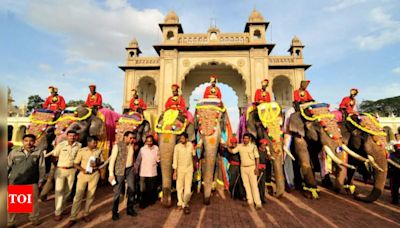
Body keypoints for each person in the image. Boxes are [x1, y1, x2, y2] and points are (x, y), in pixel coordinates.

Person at [65, 136, 104, 227]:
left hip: (94, 175)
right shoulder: (82, 151)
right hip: (83, 175)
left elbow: (102, 161)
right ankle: (73, 217)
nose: (95, 144)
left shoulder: (98, 150)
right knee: (78, 196)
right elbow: (75, 164)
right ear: (88, 142)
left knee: (91, 195)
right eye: (94, 142)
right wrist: (83, 170)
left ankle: (86, 213)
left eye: (96, 143)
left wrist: (97, 163)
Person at [7, 134, 45, 226]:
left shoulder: (38, 152)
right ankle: (10, 222)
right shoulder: (14, 152)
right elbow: (7, 166)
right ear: (23, 142)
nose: (29, 143)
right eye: (26, 140)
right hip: (16, 181)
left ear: (34, 141)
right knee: (13, 204)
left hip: (32, 182)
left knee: (33, 203)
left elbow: (41, 167)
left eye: (31, 140)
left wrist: (41, 180)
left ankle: (34, 219)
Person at [52, 130, 82, 221]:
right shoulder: (61, 145)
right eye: (70, 136)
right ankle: (57, 212)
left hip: (72, 170)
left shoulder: (79, 145)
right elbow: (54, 155)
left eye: (74, 136)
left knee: (68, 191)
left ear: (76, 136)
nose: (72, 137)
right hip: (61, 170)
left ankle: (62, 208)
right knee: (59, 191)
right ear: (67, 136)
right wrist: (56, 166)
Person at [227, 133, 262, 209]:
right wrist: (226, 146)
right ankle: (250, 202)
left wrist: (257, 168)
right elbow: (232, 151)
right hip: (243, 168)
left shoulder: (253, 147)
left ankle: (258, 203)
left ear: (249, 139)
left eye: (247, 138)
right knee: (246, 186)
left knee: (254, 185)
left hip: (252, 167)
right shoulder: (240, 146)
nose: (245, 140)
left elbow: (257, 158)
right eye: (244, 138)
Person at [108, 131, 137, 221]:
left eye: (133, 138)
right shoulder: (117, 146)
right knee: (117, 192)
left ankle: (130, 209)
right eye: (130, 138)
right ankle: (114, 212)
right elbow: (112, 160)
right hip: (119, 171)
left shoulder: (132, 146)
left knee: (132, 189)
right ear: (125, 137)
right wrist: (111, 174)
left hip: (130, 170)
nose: (132, 140)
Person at [172, 133, 196, 214]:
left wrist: (194, 166)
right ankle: (180, 203)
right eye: (180, 138)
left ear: (187, 139)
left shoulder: (190, 145)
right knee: (179, 187)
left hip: (189, 169)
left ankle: (185, 204)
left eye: (183, 138)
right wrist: (175, 172)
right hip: (180, 169)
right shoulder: (177, 147)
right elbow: (175, 159)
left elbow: (193, 155)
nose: (181, 139)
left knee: (188, 187)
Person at [135, 135, 160, 208]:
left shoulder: (156, 148)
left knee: (151, 189)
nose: (149, 142)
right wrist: (136, 169)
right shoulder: (142, 149)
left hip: (152, 172)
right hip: (143, 172)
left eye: (151, 141)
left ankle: (150, 201)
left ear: (153, 141)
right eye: (148, 141)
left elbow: (158, 159)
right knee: (142, 189)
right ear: (145, 141)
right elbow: (138, 160)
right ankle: (142, 203)